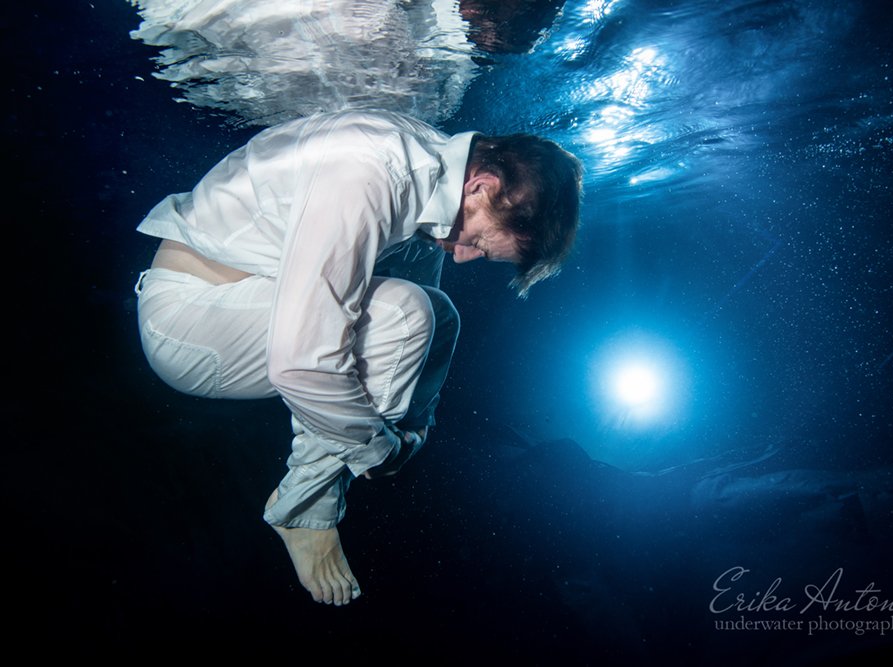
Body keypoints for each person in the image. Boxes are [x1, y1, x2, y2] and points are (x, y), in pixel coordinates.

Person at [133, 109, 582, 605]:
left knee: (438, 312)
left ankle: (399, 441)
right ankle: (305, 509)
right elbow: (300, 363)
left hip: (243, 295)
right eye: (477, 241)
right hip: (190, 321)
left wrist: (399, 426)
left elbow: (420, 330)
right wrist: (373, 449)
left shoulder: (429, 172)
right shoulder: (372, 173)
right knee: (408, 315)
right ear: (482, 186)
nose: (463, 255)